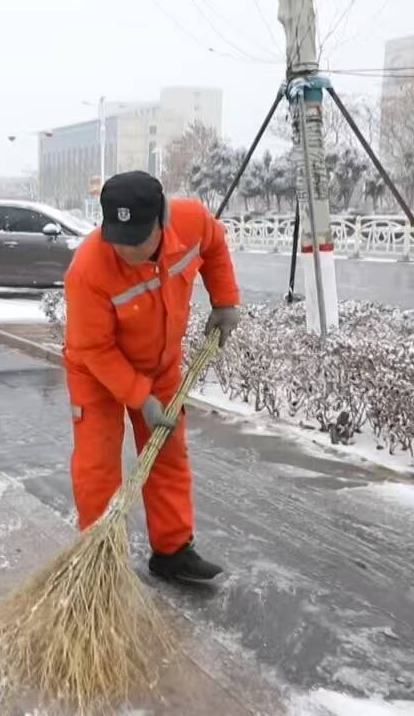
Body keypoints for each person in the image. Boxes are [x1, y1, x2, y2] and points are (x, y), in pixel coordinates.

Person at [63, 170, 241, 582]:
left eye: (138, 241)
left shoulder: (192, 220)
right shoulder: (88, 270)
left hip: (160, 364)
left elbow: (214, 246)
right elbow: (92, 348)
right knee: (97, 465)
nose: (126, 251)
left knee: (167, 453)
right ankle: (100, 558)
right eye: (118, 240)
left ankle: (173, 551)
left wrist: (225, 300)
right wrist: (139, 396)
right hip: (97, 373)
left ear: (162, 219)